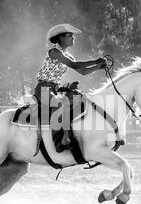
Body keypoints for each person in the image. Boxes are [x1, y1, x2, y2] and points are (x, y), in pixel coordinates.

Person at [34, 23, 107, 153]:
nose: (73, 38)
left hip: (53, 88)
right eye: (70, 35)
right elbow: (75, 65)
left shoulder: (66, 54)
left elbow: (82, 71)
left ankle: (69, 136)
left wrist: (98, 67)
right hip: (43, 88)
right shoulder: (55, 51)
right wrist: (96, 61)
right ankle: (58, 141)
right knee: (59, 106)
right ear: (61, 38)